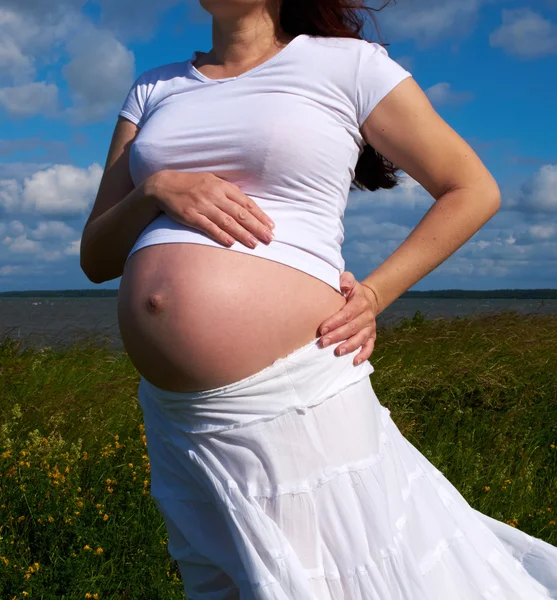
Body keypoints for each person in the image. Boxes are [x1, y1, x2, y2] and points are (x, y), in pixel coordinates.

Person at [80, 0, 557, 598]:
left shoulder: (347, 66)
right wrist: (155, 188)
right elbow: (96, 258)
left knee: (347, 577)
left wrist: (377, 292)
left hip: (297, 395)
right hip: (181, 420)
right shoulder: (154, 89)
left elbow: (471, 187)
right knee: (228, 583)